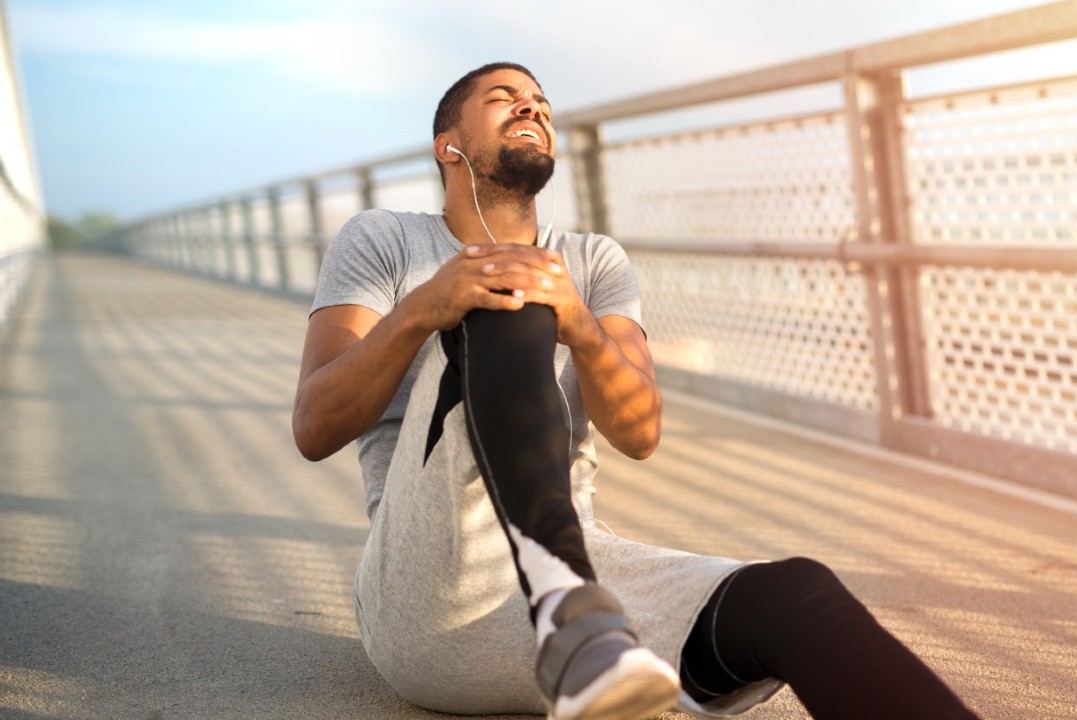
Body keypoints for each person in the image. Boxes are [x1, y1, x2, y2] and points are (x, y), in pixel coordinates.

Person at [293, 61, 980, 720]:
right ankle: (568, 608)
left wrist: (581, 327)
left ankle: (577, 621)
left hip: (589, 581)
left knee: (797, 595)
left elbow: (639, 434)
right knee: (511, 285)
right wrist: (425, 307)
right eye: (505, 97)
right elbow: (316, 425)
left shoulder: (593, 260)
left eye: (542, 104)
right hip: (430, 590)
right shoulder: (381, 238)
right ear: (450, 146)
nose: (532, 107)